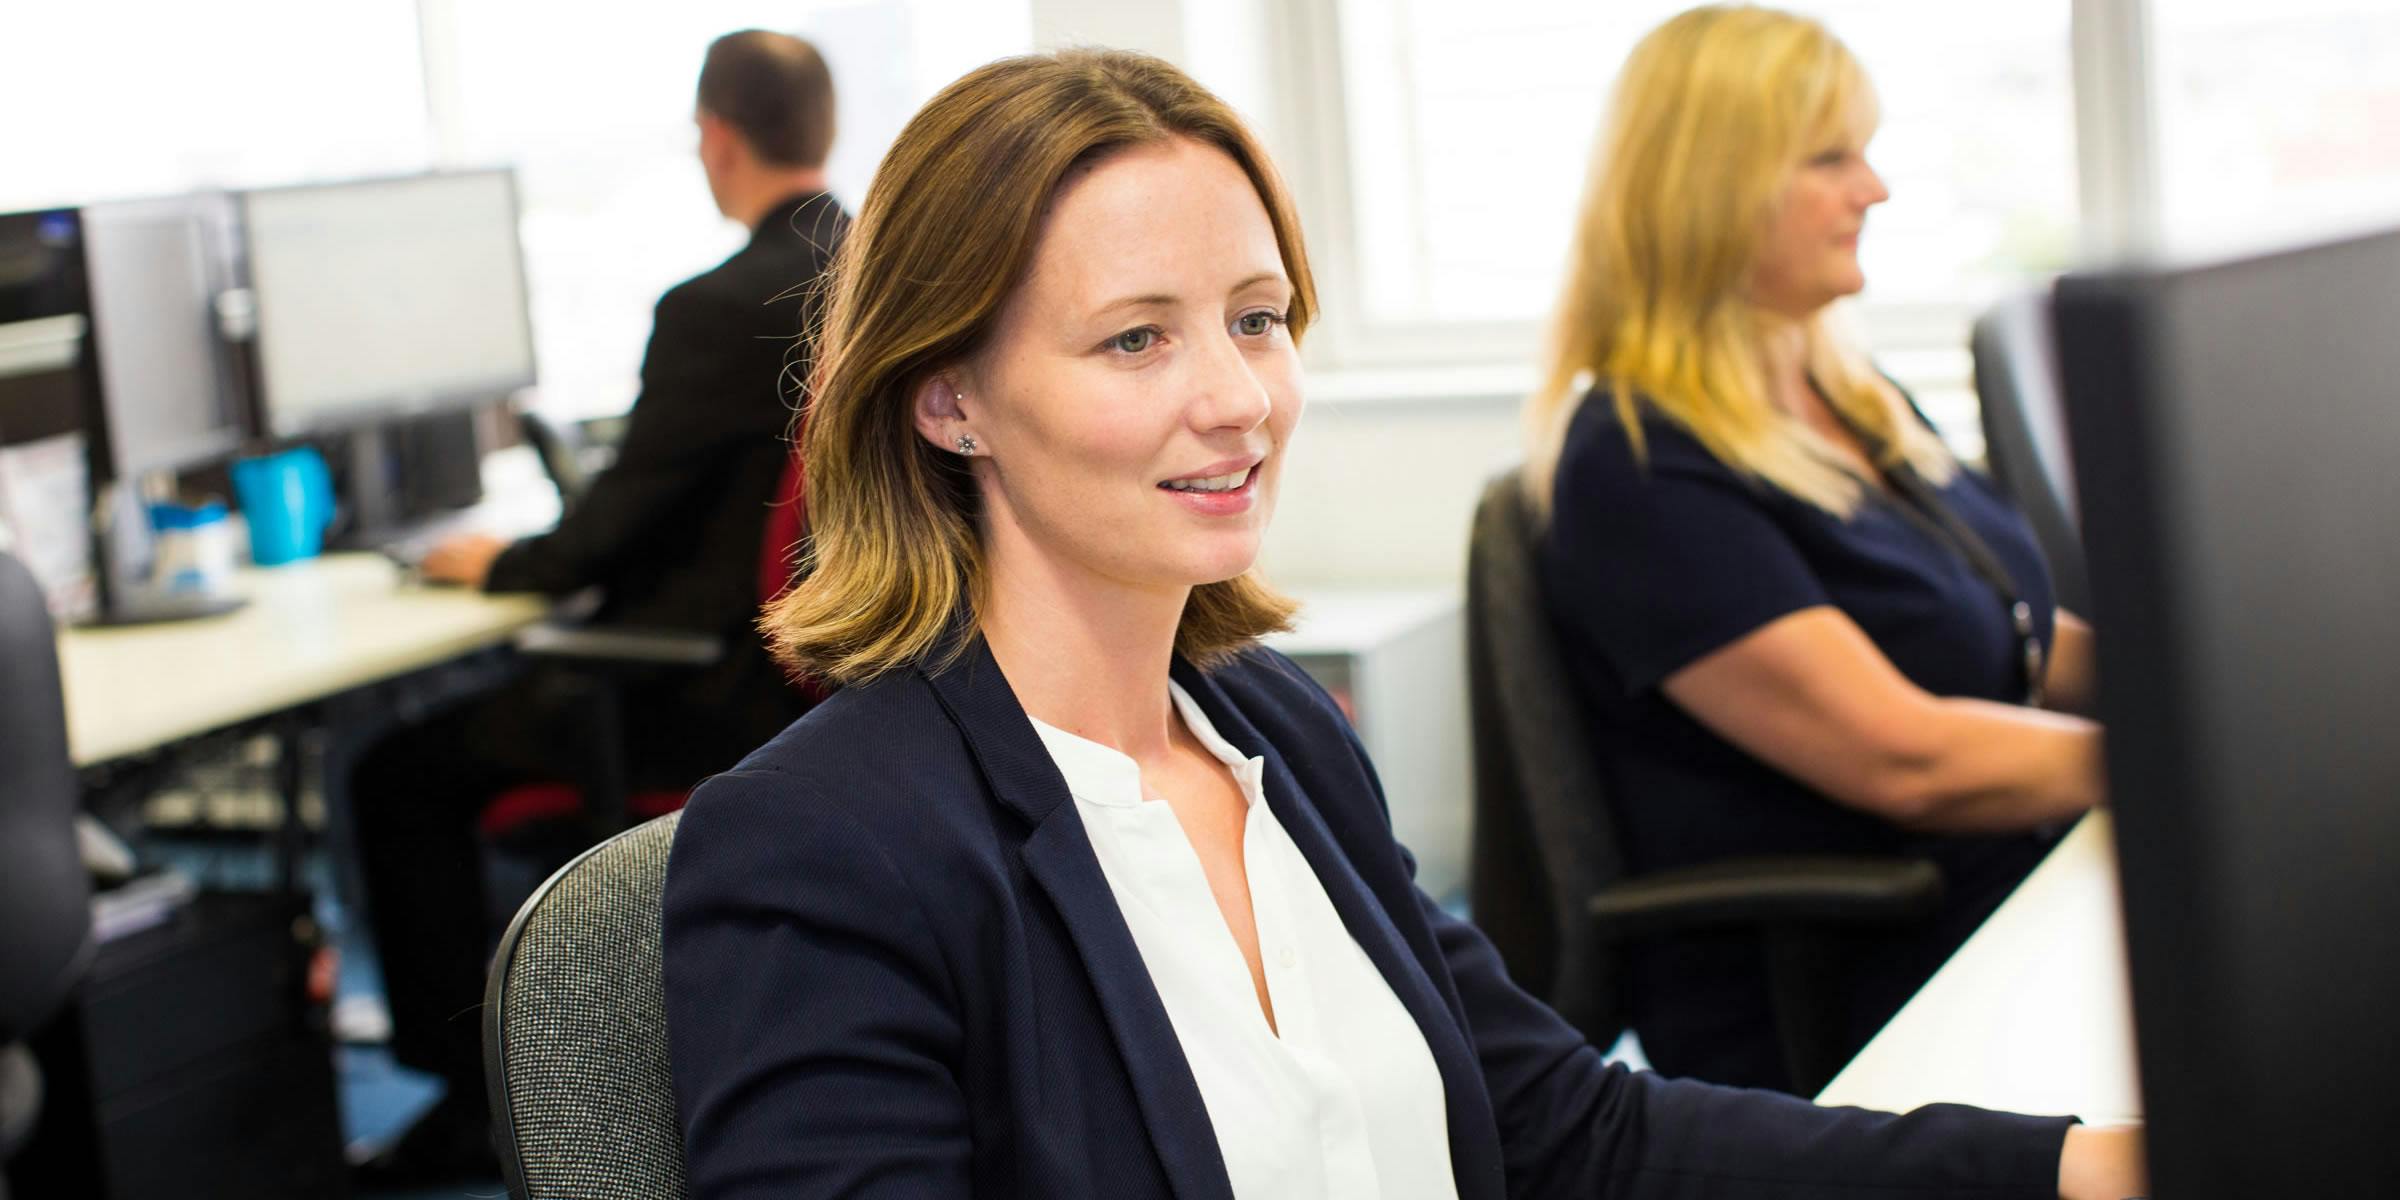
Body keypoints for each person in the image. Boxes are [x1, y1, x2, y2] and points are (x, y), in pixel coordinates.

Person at [663, 46, 2144, 1199]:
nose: (1239, 398)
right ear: (949, 397)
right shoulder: (825, 847)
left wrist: (2075, 1165)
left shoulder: (1276, 731)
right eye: (1136, 338)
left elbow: (1566, 1135)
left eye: (1256, 317)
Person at [1523, 5, 2106, 1094]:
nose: (1872, 190)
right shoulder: (1640, 462)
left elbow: (2015, 631)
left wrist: (2215, 685)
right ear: (1716, 185)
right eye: (1831, 157)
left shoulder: (1853, 397)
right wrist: (2176, 767)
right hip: (1857, 980)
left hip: (1996, 892)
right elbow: (1904, 757)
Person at [348, 30, 849, 1184]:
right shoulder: (875, 264)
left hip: (701, 693)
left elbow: (609, 528)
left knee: (396, 769)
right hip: (816, 680)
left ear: (716, 138)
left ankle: (469, 1097)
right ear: (819, 129)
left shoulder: (714, 304)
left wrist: (501, 564)